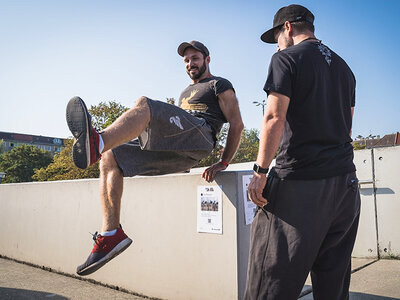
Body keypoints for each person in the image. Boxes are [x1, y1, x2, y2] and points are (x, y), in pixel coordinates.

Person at [66, 40, 244, 276]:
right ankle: (110, 234)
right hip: (182, 149)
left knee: (144, 104)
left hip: (201, 135)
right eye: (187, 60)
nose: (191, 63)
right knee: (111, 155)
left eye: (195, 58)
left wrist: (223, 162)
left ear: (207, 60)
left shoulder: (218, 84)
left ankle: (97, 141)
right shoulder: (184, 93)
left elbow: (237, 124)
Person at [245, 5, 360, 300]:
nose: (276, 45)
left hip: (299, 185)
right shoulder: (345, 68)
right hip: (345, 186)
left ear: (287, 28)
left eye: (276, 38)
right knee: (332, 288)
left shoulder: (285, 59)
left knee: (269, 284)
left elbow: (273, 117)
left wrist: (259, 173)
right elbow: (346, 129)